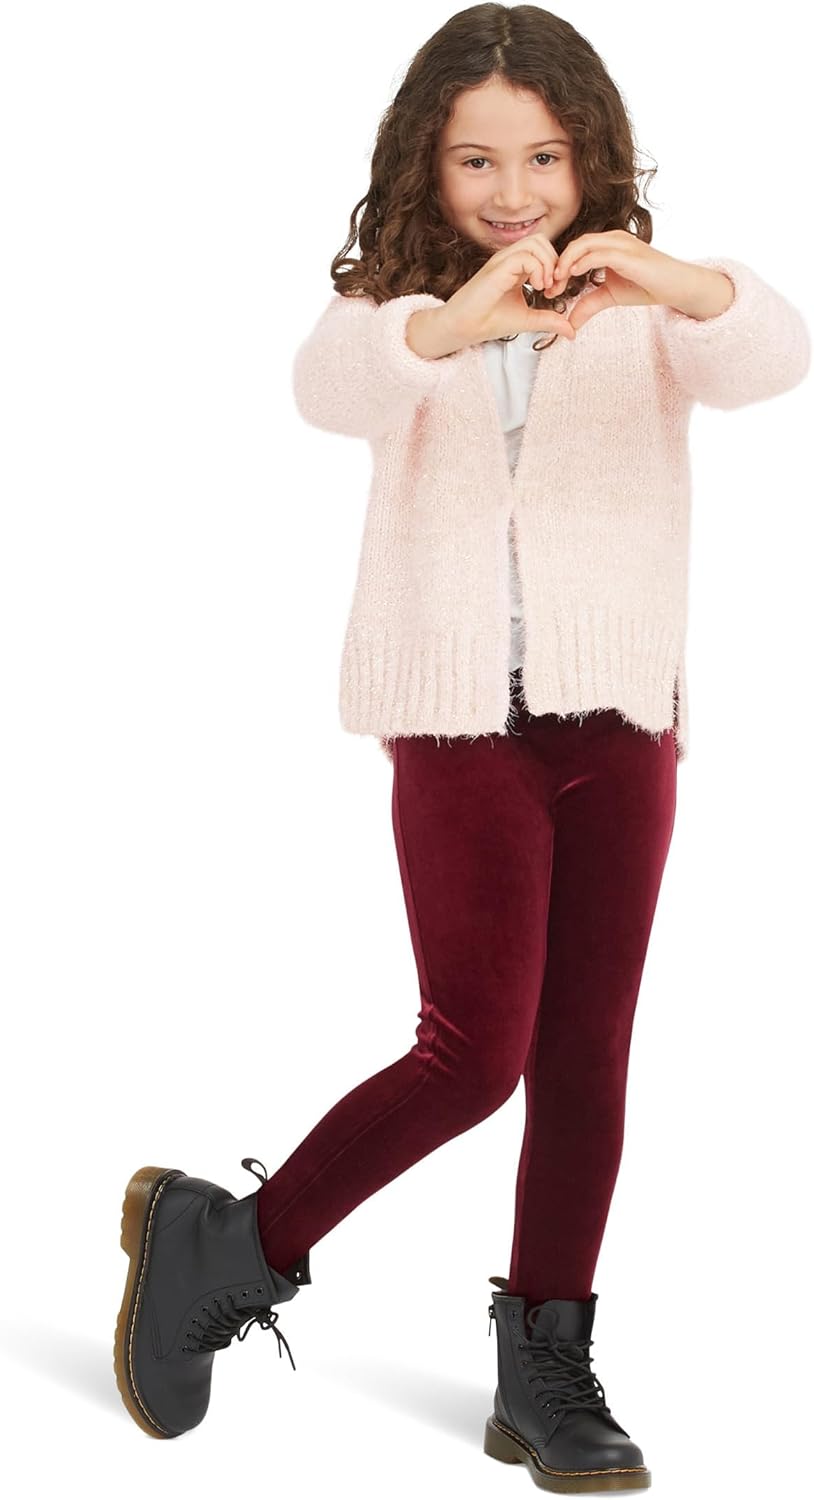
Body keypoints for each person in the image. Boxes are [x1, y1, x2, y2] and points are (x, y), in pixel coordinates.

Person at [113, 3, 809, 1486]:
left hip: (616, 713)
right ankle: (232, 1244)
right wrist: (455, 321)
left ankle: (543, 1359)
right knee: (473, 1052)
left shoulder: (649, 315)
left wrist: (673, 278)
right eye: (476, 159)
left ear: (591, 158)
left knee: (586, 1053)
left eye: (544, 157)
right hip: (456, 719)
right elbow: (331, 387)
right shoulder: (398, 315)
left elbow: (771, 356)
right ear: (425, 165)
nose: (513, 190)